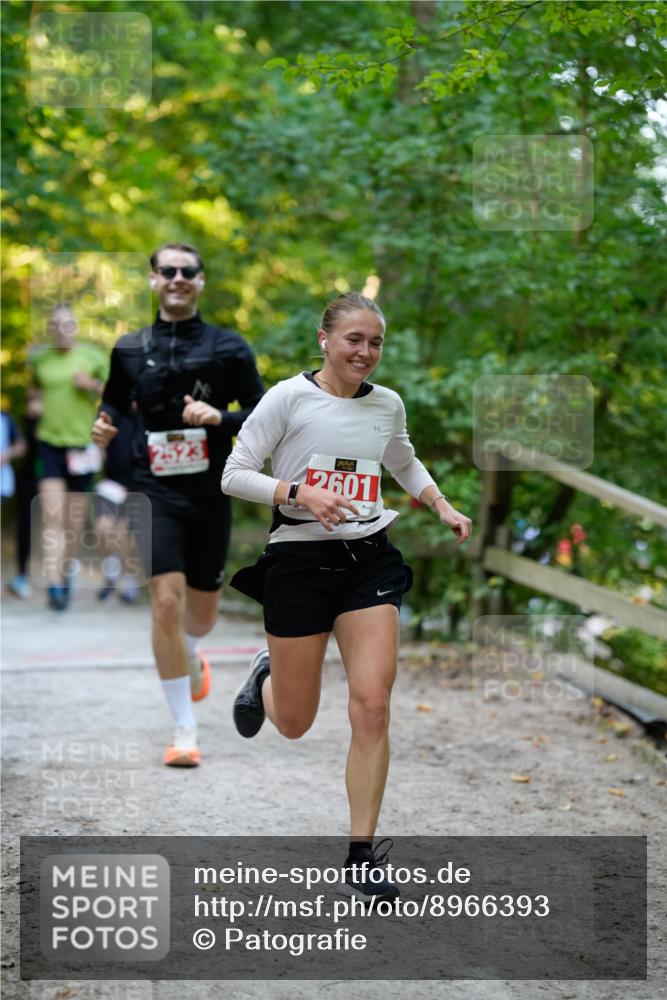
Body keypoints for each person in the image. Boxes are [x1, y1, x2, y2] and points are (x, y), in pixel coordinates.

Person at [221, 291, 472, 903]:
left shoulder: (387, 405)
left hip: (368, 559)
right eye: (355, 339)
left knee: (372, 704)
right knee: (296, 723)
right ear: (325, 340)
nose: (366, 352)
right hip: (299, 563)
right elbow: (234, 472)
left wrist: (440, 504)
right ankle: (266, 678)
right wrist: (297, 493)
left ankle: (362, 854)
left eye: (376, 342)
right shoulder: (287, 398)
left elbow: (403, 461)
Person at [92, 243, 264, 768]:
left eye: (187, 271)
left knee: (201, 616)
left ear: (201, 281)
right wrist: (104, 424)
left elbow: (261, 412)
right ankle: (183, 728)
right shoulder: (128, 348)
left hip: (211, 491)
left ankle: (191, 653)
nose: (177, 278)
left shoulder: (228, 347)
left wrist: (220, 418)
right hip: (154, 490)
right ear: (153, 280)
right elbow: (114, 402)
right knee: (165, 603)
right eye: (168, 270)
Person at [29, 305, 108, 611]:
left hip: (82, 446)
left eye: (67, 324)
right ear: (51, 328)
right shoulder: (41, 359)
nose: (61, 329)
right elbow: (35, 391)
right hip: (49, 444)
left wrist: (91, 386)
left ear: (75, 326)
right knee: (52, 516)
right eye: (55, 324)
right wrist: (35, 404)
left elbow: (113, 395)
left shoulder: (92, 357)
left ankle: (65, 574)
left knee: (73, 524)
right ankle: (54, 584)